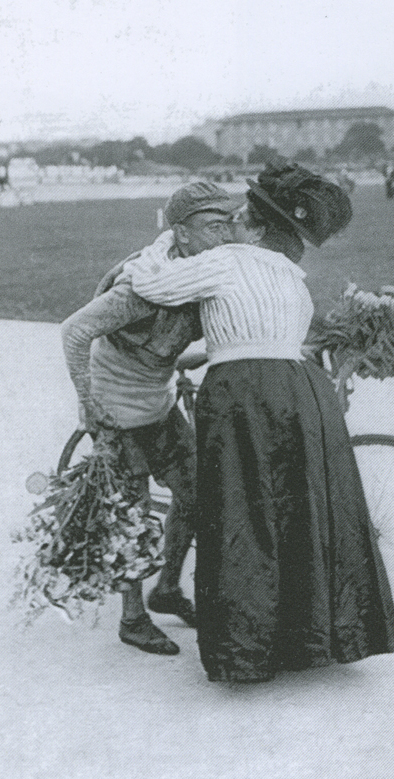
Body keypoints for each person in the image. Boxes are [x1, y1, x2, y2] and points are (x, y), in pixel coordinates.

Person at [126, 161, 394, 682]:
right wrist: (208, 351)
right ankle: (308, 637)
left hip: (242, 396)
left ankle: (246, 649)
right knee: (294, 510)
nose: (229, 224)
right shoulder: (289, 275)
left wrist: (165, 241)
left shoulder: (227, 259)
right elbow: (262, 333)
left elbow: (154, 285)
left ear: (252, 225)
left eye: (238, 217)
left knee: (241, 511)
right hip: (298, 391)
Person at [61, 182, 238, 655]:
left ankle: (167, 589)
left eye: (228, 224)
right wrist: (87, 400)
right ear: (180, 233)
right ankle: (133, 618)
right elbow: (75, 331)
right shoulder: (142, 285)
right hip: (117, 408)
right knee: (131, 514)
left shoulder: (198, 273)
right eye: (212, 226)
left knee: (197, 490)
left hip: (156, 399)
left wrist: (182, 360)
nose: (225, 235)